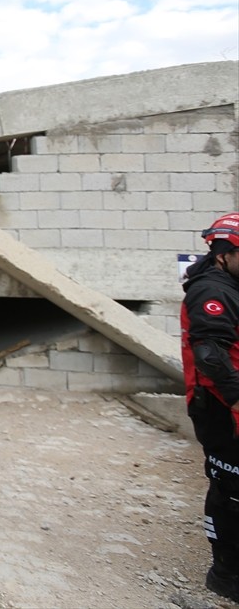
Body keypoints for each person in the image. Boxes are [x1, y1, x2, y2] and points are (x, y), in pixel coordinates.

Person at [182, 213, 239, 602]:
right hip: (220, 407)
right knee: (230, 489)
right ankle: (226, 576)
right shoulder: (211, 291)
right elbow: (210, 354)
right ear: (224, 254)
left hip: (229, 403)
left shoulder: (231, 283)